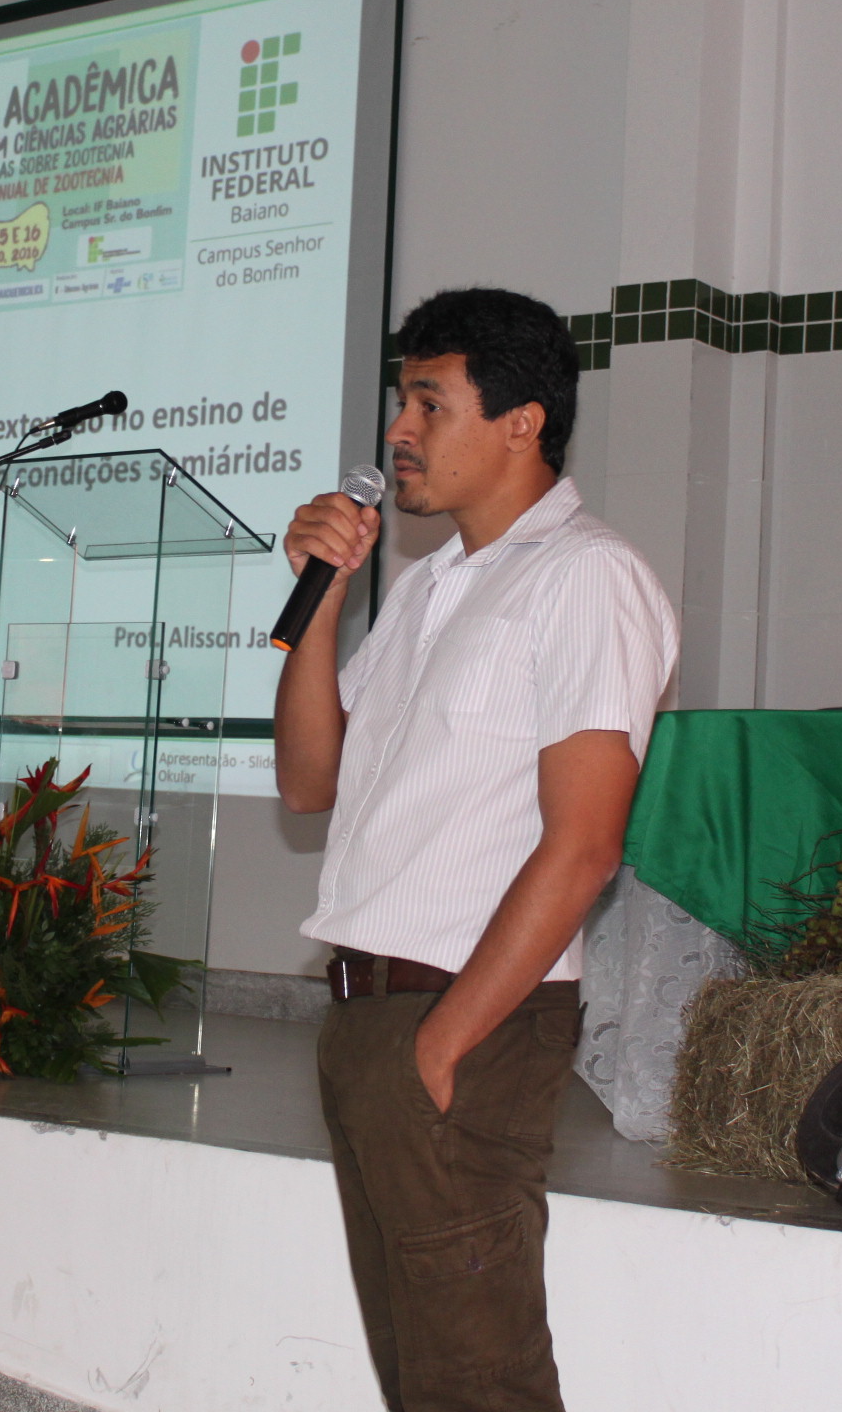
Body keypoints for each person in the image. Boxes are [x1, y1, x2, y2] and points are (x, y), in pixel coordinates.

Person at [275, 287, 677, 1411]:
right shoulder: (428, 587)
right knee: (422, 1378)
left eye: (428, 403)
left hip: (466, 1018)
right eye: (401, 401)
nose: (397, 430)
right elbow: (309, 781)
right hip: (370, 1016)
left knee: (479, 1383)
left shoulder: (585, 576)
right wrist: (322, 601)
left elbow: (585, 845)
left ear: (521, 422)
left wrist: (445, 1043)